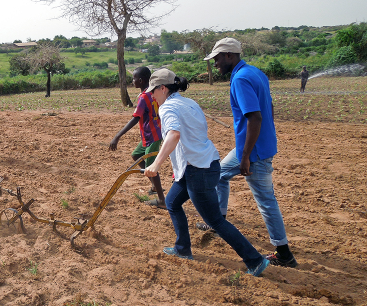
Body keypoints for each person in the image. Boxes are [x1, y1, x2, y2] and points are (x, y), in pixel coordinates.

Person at [144, 69, 269, 276]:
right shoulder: (189, 103)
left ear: (163, 88)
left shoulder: (167, 108)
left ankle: (255, 260)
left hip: (197, 170)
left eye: (153, 91)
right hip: (204, 163)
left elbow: (174, 134)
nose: (151, 95)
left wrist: (156, 164)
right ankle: (182, 248)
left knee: (215, 221)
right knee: (173, 202)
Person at [199, 37, 297, 268]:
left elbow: (255, 117)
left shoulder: (241, 79)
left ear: (230, 56)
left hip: (253, 151)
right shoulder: (255, 73)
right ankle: (218, 219)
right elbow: (268, 107)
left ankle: (284, 253)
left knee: (265, 200)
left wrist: (245, 157)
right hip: (254, 145)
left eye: (217, 59)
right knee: (220, 173)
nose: (215, 64)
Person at [109, 66, 165, 209]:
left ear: (140, 80)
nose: (132, 81)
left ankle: (162, 200)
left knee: (152, 167)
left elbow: (135, 118)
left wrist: (117, 136)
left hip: (153, 135)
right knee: (136, 155)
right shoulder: (153, 93)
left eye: (134, 79)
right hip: (149, 135)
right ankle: (153, 185)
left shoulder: (143, 97)